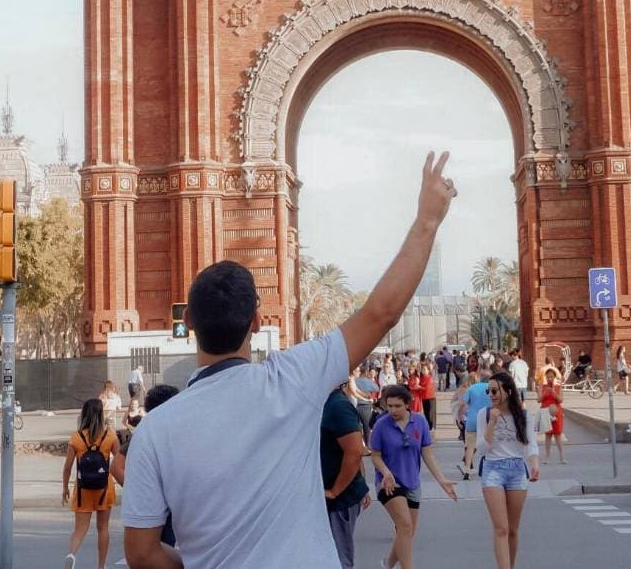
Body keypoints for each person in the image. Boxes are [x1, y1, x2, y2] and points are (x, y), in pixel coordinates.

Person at [122, 151, 457, 569]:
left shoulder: (156, 430)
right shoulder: (294, 378)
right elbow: (381, 313)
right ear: (256, 321)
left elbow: (140, 552)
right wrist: (428, 220)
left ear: (187, 321)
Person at [370, 384, 456, 569]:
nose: (392, 410)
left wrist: (442, 480)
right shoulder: (381, 425)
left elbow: (427, 453)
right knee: (405, 526)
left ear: (408, 404)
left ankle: (387, 564)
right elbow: (375, 455)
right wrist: (386, 472)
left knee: (406, 532)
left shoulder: (420, 422)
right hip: (389, 483)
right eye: (389, 405)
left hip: (412, 483)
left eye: (397, 406)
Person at [478, 372, 540, 569]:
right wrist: (491, 423)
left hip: (517, 470)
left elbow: (530, 444)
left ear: (508, 391)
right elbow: (481, 449)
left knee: (512, 530)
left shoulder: (524, 415)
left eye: (495, 390)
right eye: (489, 391)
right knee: (501, 529)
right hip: (492, 470)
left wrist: (535, 464)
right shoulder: (485, 414)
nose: (491, 395)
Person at [111, 385, 180, 549]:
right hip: (165, 510)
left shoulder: (147, 432)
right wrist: (142, 493)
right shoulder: (148, 434)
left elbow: (116, 467)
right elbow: (116, 467)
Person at [61, 398, 121, 569]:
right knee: (103, 528)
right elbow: (118, 463)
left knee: (79, 530)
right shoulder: (110, 435)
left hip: (82, 490)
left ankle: (71, 554)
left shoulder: (76, 437)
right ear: (102, 414)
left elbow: (67, 467)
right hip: (104, 488)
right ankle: (101, 566)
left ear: (84, 414)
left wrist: (65, 488)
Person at [321, 382, 370, 569]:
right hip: (332, 496)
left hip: (339, 499)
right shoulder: (324, 403)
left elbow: (355, 451)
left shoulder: (337, 406)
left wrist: (335, 491)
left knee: (339, 558)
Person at [458, 368, 492, 479]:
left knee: (470, 446)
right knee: (489, 444)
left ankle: (467, 469)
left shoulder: (471, 388)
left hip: (472, 419)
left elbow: (463, 404)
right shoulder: (492, 389)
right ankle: (489, 467)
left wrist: (460, 417)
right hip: (488, 419)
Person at [539, 369, 565, 464]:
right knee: (548, 435)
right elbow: (538, 399)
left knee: (558, 435)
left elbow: (560, 400)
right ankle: (547, 457)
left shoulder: (558, 387)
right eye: (548, 376)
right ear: (545, 377)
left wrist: (553, 392)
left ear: (554, 377)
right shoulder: (542, 386)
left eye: (551, 377)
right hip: (545, 411)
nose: (549, 378)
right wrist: (545, 392)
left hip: (556, 412)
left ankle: (562, 457)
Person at [420, 363, 437, 432]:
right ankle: (429, 427)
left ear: (428, 370)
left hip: (430, 397)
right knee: (426, 413)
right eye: (422, 369)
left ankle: (432, 427)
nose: (423, 371)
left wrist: (419, 387)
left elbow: (426, 388)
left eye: (425, 369)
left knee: (431, 414)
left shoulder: (429, 378)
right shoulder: (422, 377)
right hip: (424, 397)